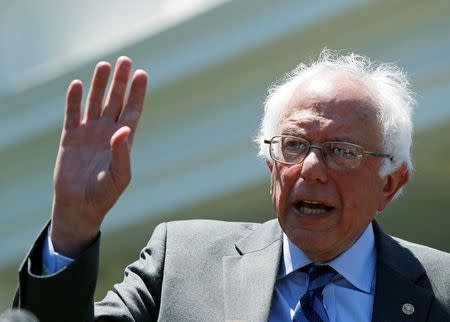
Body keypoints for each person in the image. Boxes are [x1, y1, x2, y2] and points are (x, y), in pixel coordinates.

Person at [14, 50, 450, 322]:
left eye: (341, 150)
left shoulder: (441, 288)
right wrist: (72, 227)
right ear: (270, 168)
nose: (312, 169)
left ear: (390, 184)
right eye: (294, 145)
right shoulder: (181, 262)